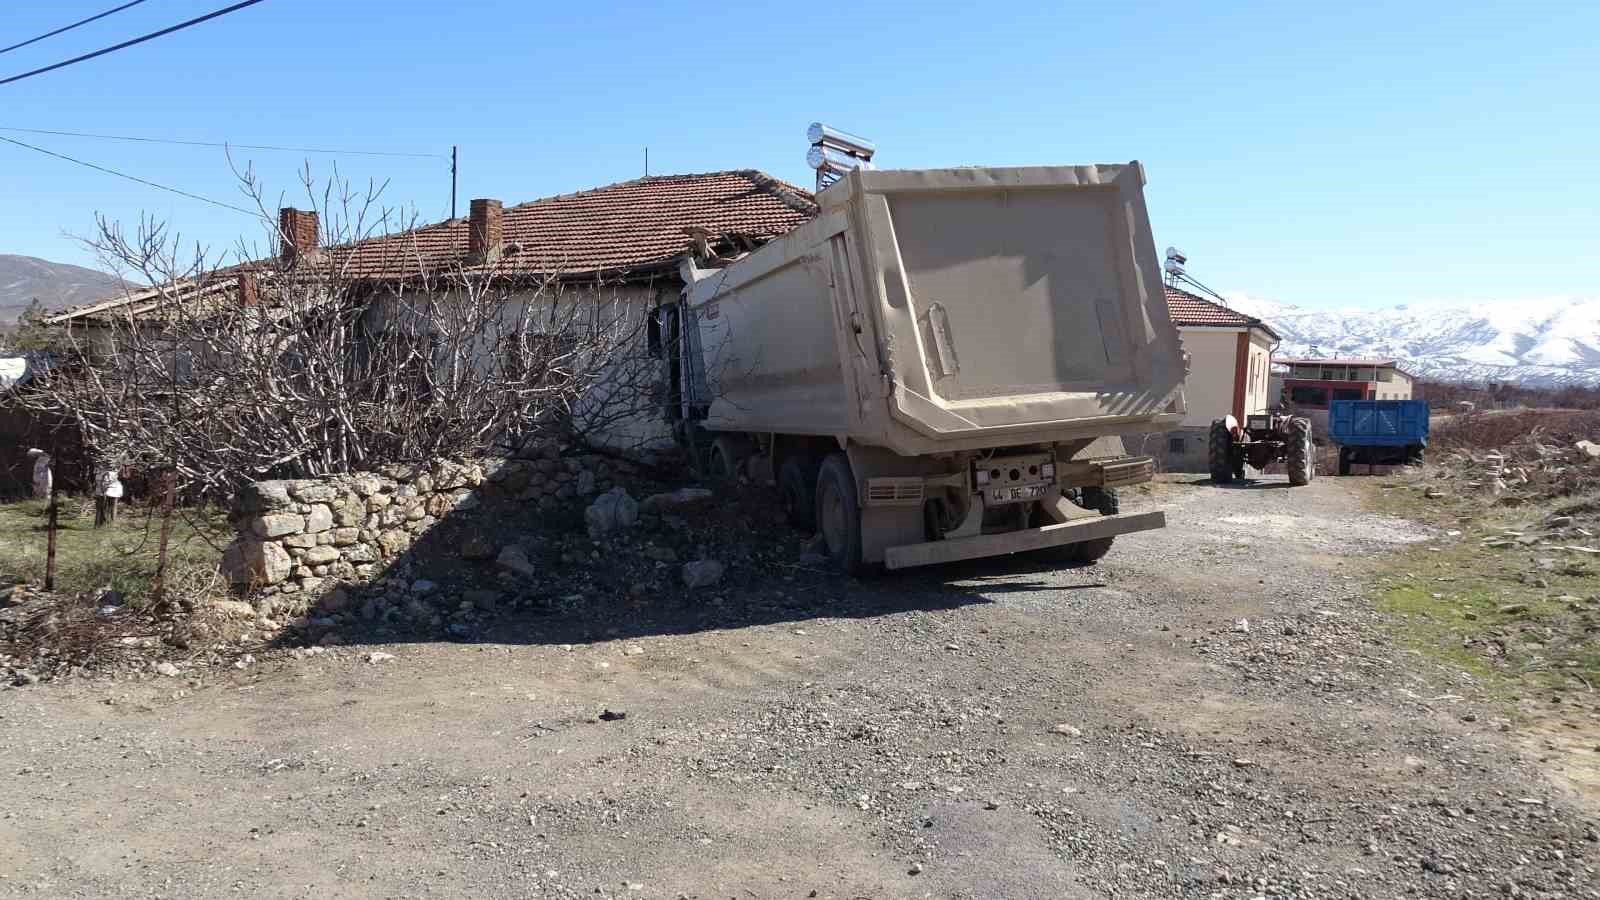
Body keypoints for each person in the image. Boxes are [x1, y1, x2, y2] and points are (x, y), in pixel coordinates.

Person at [95, 462, 124, 527]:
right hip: (108, 492)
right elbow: (104, 483)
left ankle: (110, 522)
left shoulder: (105, 473)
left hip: (111, 492)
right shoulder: (105, 473)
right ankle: (106, 522)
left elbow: (105, 483)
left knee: (110, 507)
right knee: (107, 508)